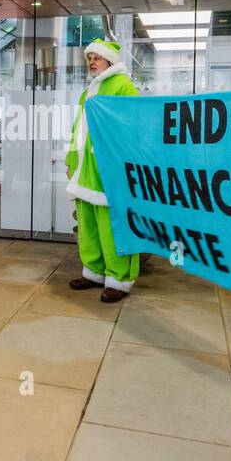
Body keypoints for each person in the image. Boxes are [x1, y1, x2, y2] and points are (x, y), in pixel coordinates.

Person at [64, 39, 141, 303]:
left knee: (112, 224)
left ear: (109, 60)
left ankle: (118, 278)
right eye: (89, 58)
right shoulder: (87, 93)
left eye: (96, 58)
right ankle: (94, 272)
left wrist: (123, 163)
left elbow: (133, 128)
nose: (92, 62)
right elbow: (77, 131)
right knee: (88, 223)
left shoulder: (123, 86)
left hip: (109, 168)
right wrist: (71, 160)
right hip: (85, 169)